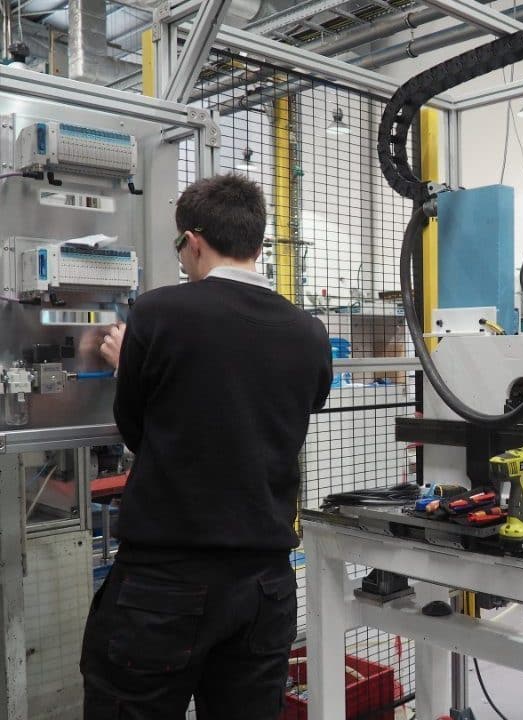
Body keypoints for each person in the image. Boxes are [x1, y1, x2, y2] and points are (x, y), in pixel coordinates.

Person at [80, 174, 333, 720]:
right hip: (265, 588)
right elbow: (289, 412)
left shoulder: (157, 314)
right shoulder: (310, 332)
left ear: (193, 242)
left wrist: (129, 364)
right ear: (258, 244)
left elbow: (137, 430)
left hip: (165, 584)